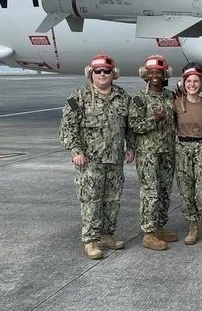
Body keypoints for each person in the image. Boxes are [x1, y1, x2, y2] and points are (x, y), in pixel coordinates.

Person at [59, 54, 135, 260]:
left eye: (107, 71)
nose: (102, 74)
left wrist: (131, 147)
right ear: (90, 73)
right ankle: (91, 240)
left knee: (112, 199)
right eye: (98, 71)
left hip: (114, 159)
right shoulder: (79, 96)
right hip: (90, 160)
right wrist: (76, 151)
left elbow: (129, 126)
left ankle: (107, 235)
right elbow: (68, 127)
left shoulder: (122, 96)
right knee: (91, 200)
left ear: (114, 74)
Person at [128, 55, 178, 251]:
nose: (155, 75)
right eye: (151, 73)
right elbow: (133, 125)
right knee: (150, 193)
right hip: (148, 153)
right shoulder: (140, 99)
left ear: (165, 74)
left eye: (159, 72)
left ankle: (159, 227)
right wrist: (154, 120)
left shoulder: (169, 96)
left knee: (165, 191)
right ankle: (148, 233)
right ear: (145, 75)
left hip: (167, 151)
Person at [174, 62, 202, 245]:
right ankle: (192, 226)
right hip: (182, 148)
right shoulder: (175, 104)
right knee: (186, 192)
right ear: (183, 83)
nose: (192, 84)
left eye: (196, 81)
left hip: (201, 149)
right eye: (188, 81)